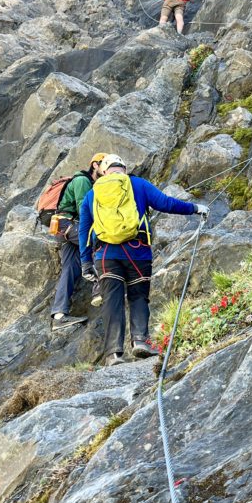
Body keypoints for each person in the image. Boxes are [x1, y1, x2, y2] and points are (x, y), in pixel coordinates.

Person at [78, 155, 208, 366]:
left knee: (112, 302)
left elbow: (84, 230)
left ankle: (113, 354)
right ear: (124, 168)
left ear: (103, 171)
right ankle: (140, 342)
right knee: (138, 296)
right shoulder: (137, 184)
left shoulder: (92, 194)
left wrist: (85, 262)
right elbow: (165, 203)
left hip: (105, 255)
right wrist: (195, 208)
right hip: (137, 252)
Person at [51, 153, 105, 331]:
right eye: (104, 165)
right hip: (69, 225)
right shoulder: (83, 181)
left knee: (70, 269)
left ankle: (59, 316)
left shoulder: (88, 184)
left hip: (62, 227)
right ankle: (99, 286)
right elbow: (85, 211)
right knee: (97, 241)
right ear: (95, 165)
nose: (107, 169)